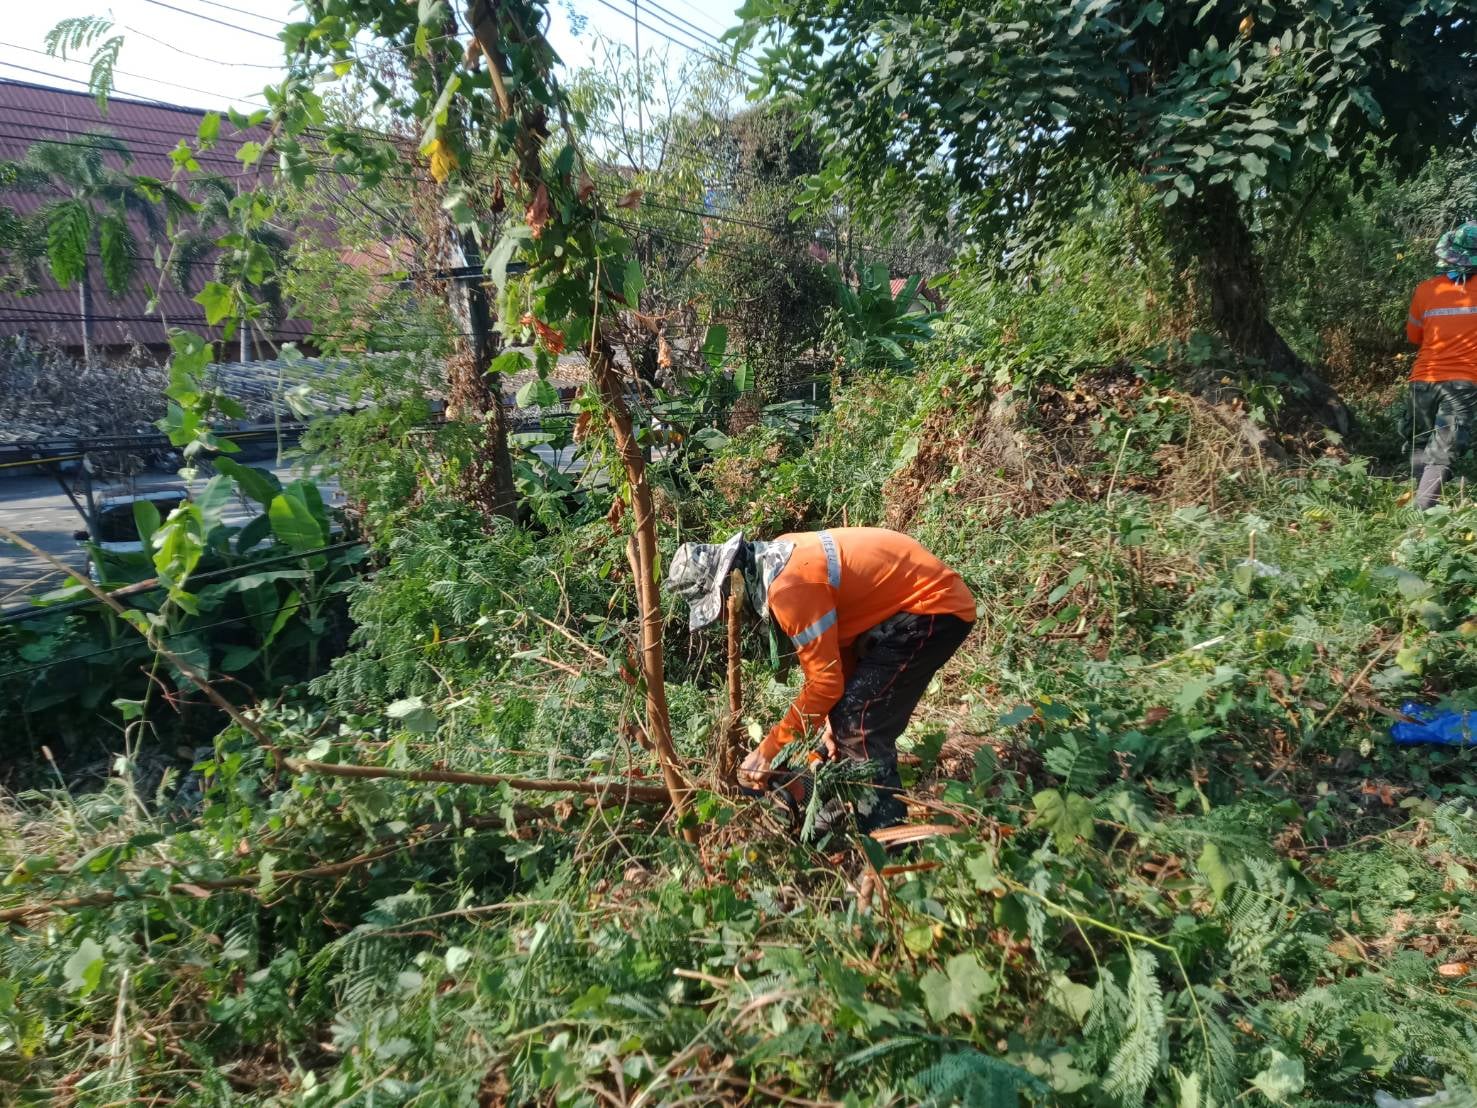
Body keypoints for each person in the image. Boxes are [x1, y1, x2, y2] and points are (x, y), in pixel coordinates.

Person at [666, 527, 976, 832]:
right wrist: (830, 721)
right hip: (907, 611)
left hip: (933, 607)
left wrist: (768, 751)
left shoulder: (788, 590)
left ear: (732, 584)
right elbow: (839, 652)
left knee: (858, 722)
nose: (727, 618)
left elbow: (825, 683)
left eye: (722, 609)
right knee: (843, 719)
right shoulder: (778, 558)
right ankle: (841, 805)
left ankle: (886, 837)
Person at [1405, 221, 1477, 509]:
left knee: (1421, 443)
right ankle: (1420, 515)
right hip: (1462, 384)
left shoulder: (1426, 290)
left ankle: (1414, 498)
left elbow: (1414, 336)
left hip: (1422, 380)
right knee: (1442, 451)